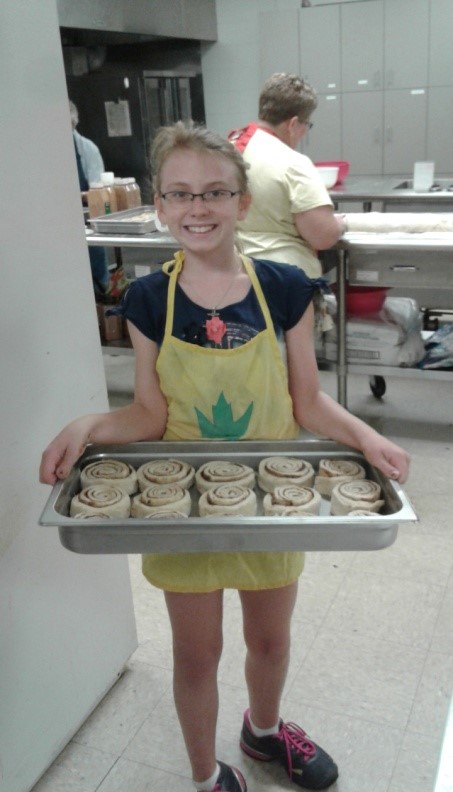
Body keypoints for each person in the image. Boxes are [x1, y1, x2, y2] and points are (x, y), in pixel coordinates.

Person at [40, 121, 409, 792]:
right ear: (160, 205)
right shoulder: (148, 299)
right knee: (196, 654)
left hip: (271, 502)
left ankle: (263, 732)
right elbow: (149, 415)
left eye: (214, 192)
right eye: (179, 193)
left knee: (270, 641)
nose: (198, 207)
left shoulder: (286, 288)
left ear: (242, 202)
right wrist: (89, 423)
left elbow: (307, 402)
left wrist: (366, 436)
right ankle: (205, 775)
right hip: (182, 508)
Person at [228, 73, 345, 280]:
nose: (305, 132)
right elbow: (322, 236)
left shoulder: (226, 150)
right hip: (283, 280)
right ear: (293, 124)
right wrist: (339, 225)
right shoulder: (293, 163)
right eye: (307, 125)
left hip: (230, 275)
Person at [69, 99, 110, 297]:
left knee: (96, 280)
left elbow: (97, 189)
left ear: (74, 122)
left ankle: (100, 300)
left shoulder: (87, 149)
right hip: (58, 224)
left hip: (88, 221)